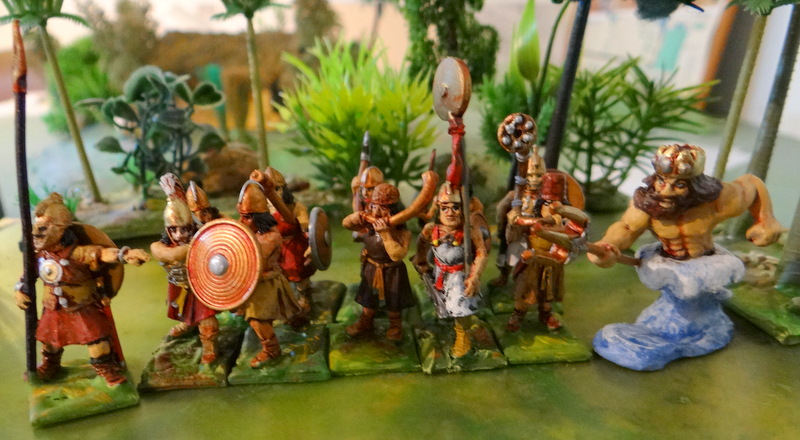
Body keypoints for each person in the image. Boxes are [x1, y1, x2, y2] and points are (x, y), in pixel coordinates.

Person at [588, 144, 783, 370]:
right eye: (661, 181)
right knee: (675, 302)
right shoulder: (648, 206)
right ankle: (668, 327)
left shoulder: (715, 200)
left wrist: (766, 219)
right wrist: (608, 245)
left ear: (694, 185)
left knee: (697, 305)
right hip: (668, 264)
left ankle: (700, 329)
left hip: (706, 264)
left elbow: (751, 184)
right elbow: (626, 227)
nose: (666, 191)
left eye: (679, 185)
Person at [14, 193, 150, 385]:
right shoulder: (40, 257)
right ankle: (50, 365)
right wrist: (20, 290)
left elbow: (102, 253)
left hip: (82, 306)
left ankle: (106, 369)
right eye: (35, 228)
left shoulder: (77, 253)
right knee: (50, 341)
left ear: (60, 229)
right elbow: (27, 277)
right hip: (53, 308)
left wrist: (124, 255)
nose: (36, 233)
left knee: (97, 340)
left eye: (42, 228)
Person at [413, 180, 488, 357]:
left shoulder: (470, 231)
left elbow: (482, 253)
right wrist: (421, 258)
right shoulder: (432, 229)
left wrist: (474, 276)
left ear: (463, 209)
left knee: (461, 306)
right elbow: (421, 243)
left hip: (459, 276)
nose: (450, 213)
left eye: (455, 208)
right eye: (444, 208)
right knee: (442, 302)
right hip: (439, 273)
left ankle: (463, 336)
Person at [151, 174, 218, 364]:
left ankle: (209, 346)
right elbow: (168, 254)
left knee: (208, 320)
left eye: (183, 229)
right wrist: (192, 247)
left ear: (191, 226)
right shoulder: (162, 246)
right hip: (180, 287)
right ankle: (189, 323)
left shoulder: (203, 238)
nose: (179, 234)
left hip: (201, 286)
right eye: (173, 230)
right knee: (186, 312)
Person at [506, 170, 585, 331]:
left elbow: (571, 237)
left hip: (552, 261)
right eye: (548, 204)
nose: (552, 209)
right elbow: (514, 233)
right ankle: (518, 315)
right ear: (541, 204)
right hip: (531, 260)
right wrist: (515, 222)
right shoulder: (530, 220)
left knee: (548, 295)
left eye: (557, 205)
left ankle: (546, 314)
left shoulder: (566, 225)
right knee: (525, 292)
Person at [236, 179, 304, 367]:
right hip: (253, 284)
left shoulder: (270, 237)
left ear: (259, 217)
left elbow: (253, 257)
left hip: (267, 283)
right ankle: (296, 320)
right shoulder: (249, 232)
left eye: (247, 217)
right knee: (262, 317)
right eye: (241, 216)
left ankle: (271, 350)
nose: (242, 221)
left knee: (258, 319)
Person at [342, 183, 415, 341]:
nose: (376, 212)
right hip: (372, 268)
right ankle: (365, 323)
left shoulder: (403, 233)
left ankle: (395, 326)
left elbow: (397, 255)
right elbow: (346, 224)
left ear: (393, 211)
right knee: (368, 300)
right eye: (374, 206)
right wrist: (356, 217)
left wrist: (386, 234)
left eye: (382, 208)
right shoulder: (368, 226)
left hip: (393, 271)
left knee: (394, 302)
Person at [261, 167, 316, 312]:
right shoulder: (263, 211)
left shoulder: (296, 208)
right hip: (275, 249)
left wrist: (312, 246)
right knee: (278, 278)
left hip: (295, 248)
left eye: (276, 189)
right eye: (267, 190)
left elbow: (308, 229)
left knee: (299, 277)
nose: (272, 193)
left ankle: (304, 302)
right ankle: (285, 305)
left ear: (283, 189)